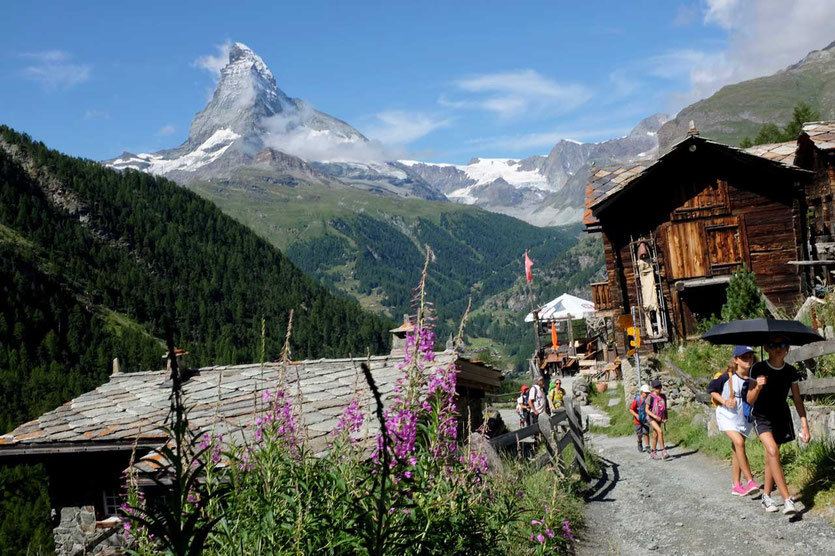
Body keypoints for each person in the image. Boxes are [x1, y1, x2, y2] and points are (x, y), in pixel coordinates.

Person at [747, 336, 811, 515]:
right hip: (761, 416)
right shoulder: (758, 368)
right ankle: (787, 498)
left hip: (781, 416)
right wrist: (758, 386)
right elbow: (749, 400)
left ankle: (766, 496)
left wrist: (805, 425)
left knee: (772, 456)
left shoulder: (791, 371)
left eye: (782, 344)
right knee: (773, 451)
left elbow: (797, 399)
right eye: (773, 345)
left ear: (788, 348)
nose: (778, 348)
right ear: (766, 348)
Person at [707, 345, 761, 497]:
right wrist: (724, 401)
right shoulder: (727, 377)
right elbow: (711, 389)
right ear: (736, 360)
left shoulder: (752, 380)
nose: (748, 359)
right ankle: (750, 480)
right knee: (739, 442)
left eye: (750, 356)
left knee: (737, 448)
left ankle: (736, 485)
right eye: (744, 357)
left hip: (743, 418)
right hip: (726, 416)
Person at [645, 379, 670, 460]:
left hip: (659, 417)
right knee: (660, 431)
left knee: (655, 434)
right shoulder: (650, 397)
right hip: (651, 417)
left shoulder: (663, 396)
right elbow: (646, 410)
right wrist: (655, 417)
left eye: (659, 387)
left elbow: (665, 408)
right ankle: (663, 451)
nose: (658, 389)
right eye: (656, 388)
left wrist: (665, 417)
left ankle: (653, 452)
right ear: (653, 388)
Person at [629, 384, 651, 453]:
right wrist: (636, 415)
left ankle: (647, 446)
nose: (647, 394)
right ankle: (639, 442)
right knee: (639, 433)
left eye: (648, 393)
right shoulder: (637, 400)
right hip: (638, 420)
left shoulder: (648, 400)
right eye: (645, 393)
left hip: (645, 419)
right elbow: (631, 409)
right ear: (641, 392)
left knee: (646, 432)